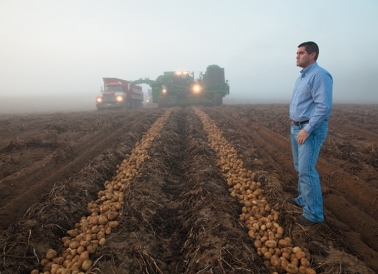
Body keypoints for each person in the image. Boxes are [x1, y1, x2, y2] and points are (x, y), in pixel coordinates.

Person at [289, 41, 333, 226]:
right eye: (296, 53)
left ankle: (314, 214)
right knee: (300, 167)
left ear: (312, 55)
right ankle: (303, 199)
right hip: (297, 127)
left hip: (310, 130)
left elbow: (323, 107)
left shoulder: (319, 75)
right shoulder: (302, 77)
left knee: (307, 171)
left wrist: (307, 129)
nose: (297, 56)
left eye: (301, 53)